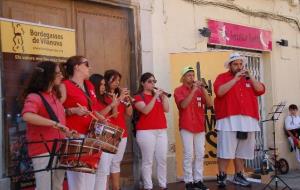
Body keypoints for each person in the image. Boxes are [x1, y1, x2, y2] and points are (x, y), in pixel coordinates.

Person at [213, 52, 265, 188]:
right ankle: (222, 175)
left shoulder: (249, 79)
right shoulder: (222, 77)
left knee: (242, 151)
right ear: (230, 66)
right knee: (225, 150)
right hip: (228, 119)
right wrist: (235, 79)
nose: (239, 66)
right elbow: (219, 92)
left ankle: (239, 175)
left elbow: (260, 90)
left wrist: (251, 77)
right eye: (235, 64)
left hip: (247, 120)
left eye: (241, 64)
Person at [22, 61, 69, 190]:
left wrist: (67, 132)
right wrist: (54, 124)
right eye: (58, 73)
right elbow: (27, 115)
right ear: (48, 75)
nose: (61, 76)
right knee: (44, 188)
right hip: (43, 150)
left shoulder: (54, 97)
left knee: (57, 187)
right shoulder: (35, 96)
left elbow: (60, 122)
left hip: (59, 148)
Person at [60, 56, 100, 190]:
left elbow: (93, 108)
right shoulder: (64, 85)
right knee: (77, 178)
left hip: (90, 135)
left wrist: (101, 118)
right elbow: (55, 111)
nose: (90, 67)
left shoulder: (89, 85)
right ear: (76, 67)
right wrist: (72, 111)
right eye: (86, 64)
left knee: (90, 173)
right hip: (74, 135)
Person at [174, 66, 212, 190]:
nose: (192, 77)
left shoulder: (199, 90)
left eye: (193, 75)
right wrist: (193, 91)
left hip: (199, 126)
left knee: (200, 154)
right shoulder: (178, 90)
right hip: (186, 126)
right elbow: (183, 105)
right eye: (189, 75)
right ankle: (188, 181)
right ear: (183, 77)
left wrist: (203, 89)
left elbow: (210, 104)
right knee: (189, 154)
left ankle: (198, 180)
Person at [94, 69, 132, 190]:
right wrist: (118, 100)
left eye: (118, 80)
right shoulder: (103, 96)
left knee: (116, 163)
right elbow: (114, 115)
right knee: (105, 165)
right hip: (109, 133)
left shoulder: (117, 95)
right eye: (113, 80)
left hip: (122, 132)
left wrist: (127, 100)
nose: (116, 83)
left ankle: (116, 187)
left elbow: (129, 113)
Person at [134, 72, 169, 190]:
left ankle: (163, 185)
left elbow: (166, 109)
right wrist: (155, 96)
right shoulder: (138, 97)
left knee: (162, 158)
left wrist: (163, 97)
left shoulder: (158, 97)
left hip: (161, 131)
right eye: (149, 81)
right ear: (143, 83)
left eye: (154, 81)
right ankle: (148, 186)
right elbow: (145, 110)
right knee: (148, 160)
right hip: (146, 132)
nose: (152, 83)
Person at [89, 73, 118, 190]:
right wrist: (112, 105)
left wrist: (114, 103)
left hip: (105, 135)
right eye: (101, 85)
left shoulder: (103, 98)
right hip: (94, 136)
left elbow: (113, 115)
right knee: (95, 170)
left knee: (104, 169)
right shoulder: (92, 99)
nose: (103, 87)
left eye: (104, 84)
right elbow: (98, 114)